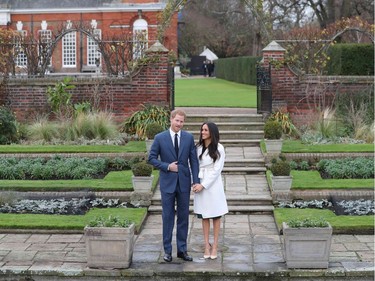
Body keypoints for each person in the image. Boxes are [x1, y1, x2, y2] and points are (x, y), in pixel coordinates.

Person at [148, 109, 200, 263]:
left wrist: (196, 180)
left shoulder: (188, 138)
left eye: (182, 122)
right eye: (177, 120)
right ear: (171, 120)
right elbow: (151, 158)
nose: (179, 124)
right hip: (167, 183)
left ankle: (182, 250)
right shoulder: (160, 138)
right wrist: (167, 166)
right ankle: (167, 251)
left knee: (183, 217)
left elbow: (194, 161)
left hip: (184, 183)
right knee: (168, 217)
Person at [192, 122, 228, 260]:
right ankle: (206, 245)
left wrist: (204, 185)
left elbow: (217, 169)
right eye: (202, 129)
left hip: (213, 185)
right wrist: (195, 182)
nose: (203, 132)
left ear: (212, 132)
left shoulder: (219, 148)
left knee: (216, 215)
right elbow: (193, 165)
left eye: (205, 130)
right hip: (199, 181)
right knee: (204, 215)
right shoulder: (198, 147)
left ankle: (215, 246)